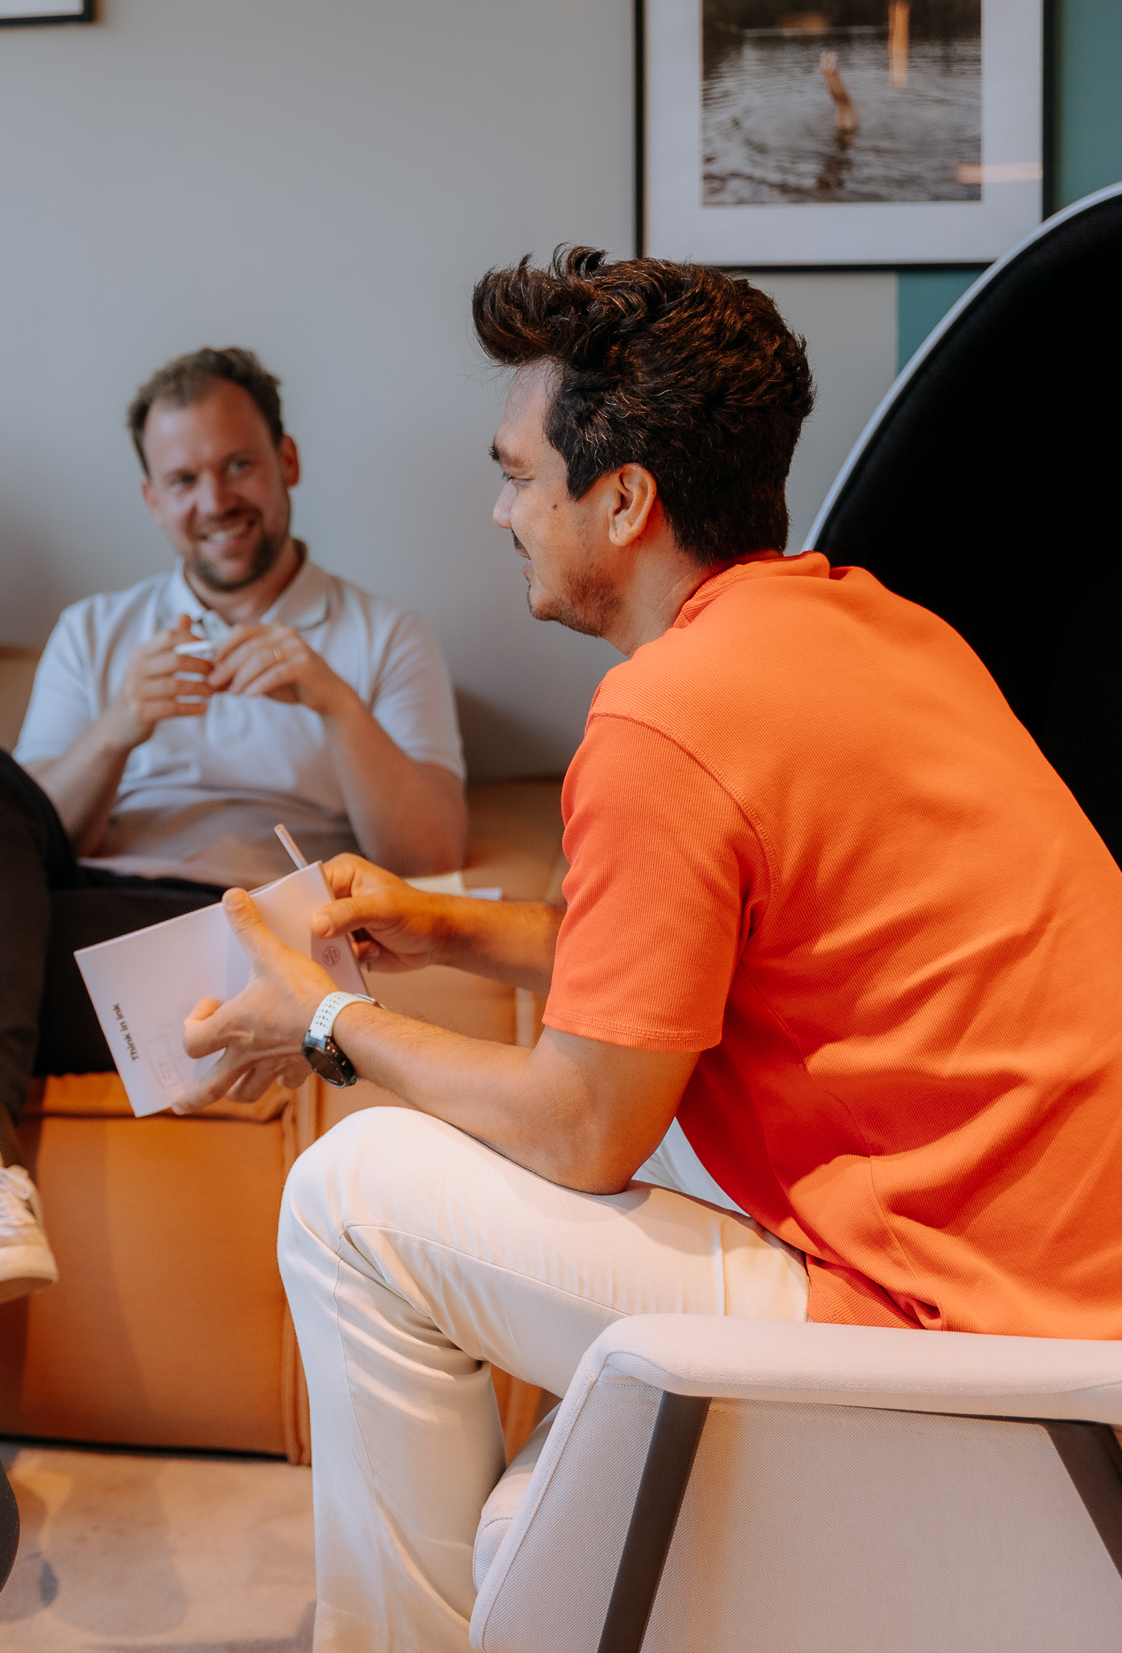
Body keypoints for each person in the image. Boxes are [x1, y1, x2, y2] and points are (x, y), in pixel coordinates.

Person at [181, 249, 1122, 1652]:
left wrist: (328, 1023)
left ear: (622, 500)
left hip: (974, 1345)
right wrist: (437, 924)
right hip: (1071, 1288)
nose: (499, 511)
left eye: (517, 476)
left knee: (348, 1195)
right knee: (642, 1104)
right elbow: (671, 972)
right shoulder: (877, 626)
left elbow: (583, 1130)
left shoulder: (664, 718)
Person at [0, 347, 468, 1363]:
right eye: (183, 479)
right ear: (151, 498)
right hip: (82, 921)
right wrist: (118, 728)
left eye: (237, 465)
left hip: (238, 942)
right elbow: (14, 841)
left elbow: (430, 851)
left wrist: (330, 701)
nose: (214, 501)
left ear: (286, 461)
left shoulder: (380, 635)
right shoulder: (95, 633)